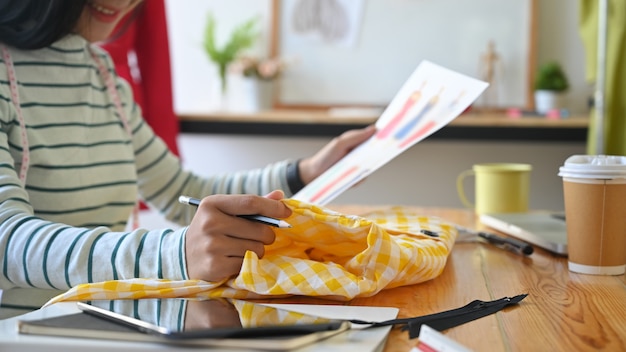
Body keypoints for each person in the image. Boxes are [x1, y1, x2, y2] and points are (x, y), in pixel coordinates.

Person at [0, 0, 376, 318]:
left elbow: (182, 191)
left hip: (102, 323)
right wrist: (172, 253)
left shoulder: (102, 74)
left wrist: (305, 172)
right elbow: (7, 243)